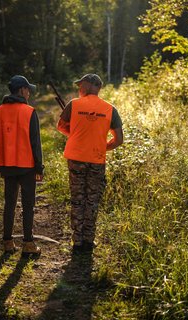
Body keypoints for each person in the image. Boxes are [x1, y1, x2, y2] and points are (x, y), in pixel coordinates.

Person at [57, 73, 123, 254]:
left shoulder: (74, 105)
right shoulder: (110, 109)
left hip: (76, 159)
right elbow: (118, 139)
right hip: (97, 159)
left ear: (88, 85)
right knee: (92, 200)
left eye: (81, 85)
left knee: (78, 199)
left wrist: (77, 135)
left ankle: (77, 242)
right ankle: (88, 241)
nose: (79, 88)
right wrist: (102, 147)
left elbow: (61, 126)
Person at [0, 75, 44, 256]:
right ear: (21, 90)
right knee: (28, 204)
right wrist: (39, 167)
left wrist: (0, 162)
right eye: (28, 89)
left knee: (9, 203)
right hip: (27, 165)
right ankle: (28, 244)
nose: (29, 92)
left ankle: (8, 242)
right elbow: (35, 142)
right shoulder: (29, 111)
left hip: (6, 164)